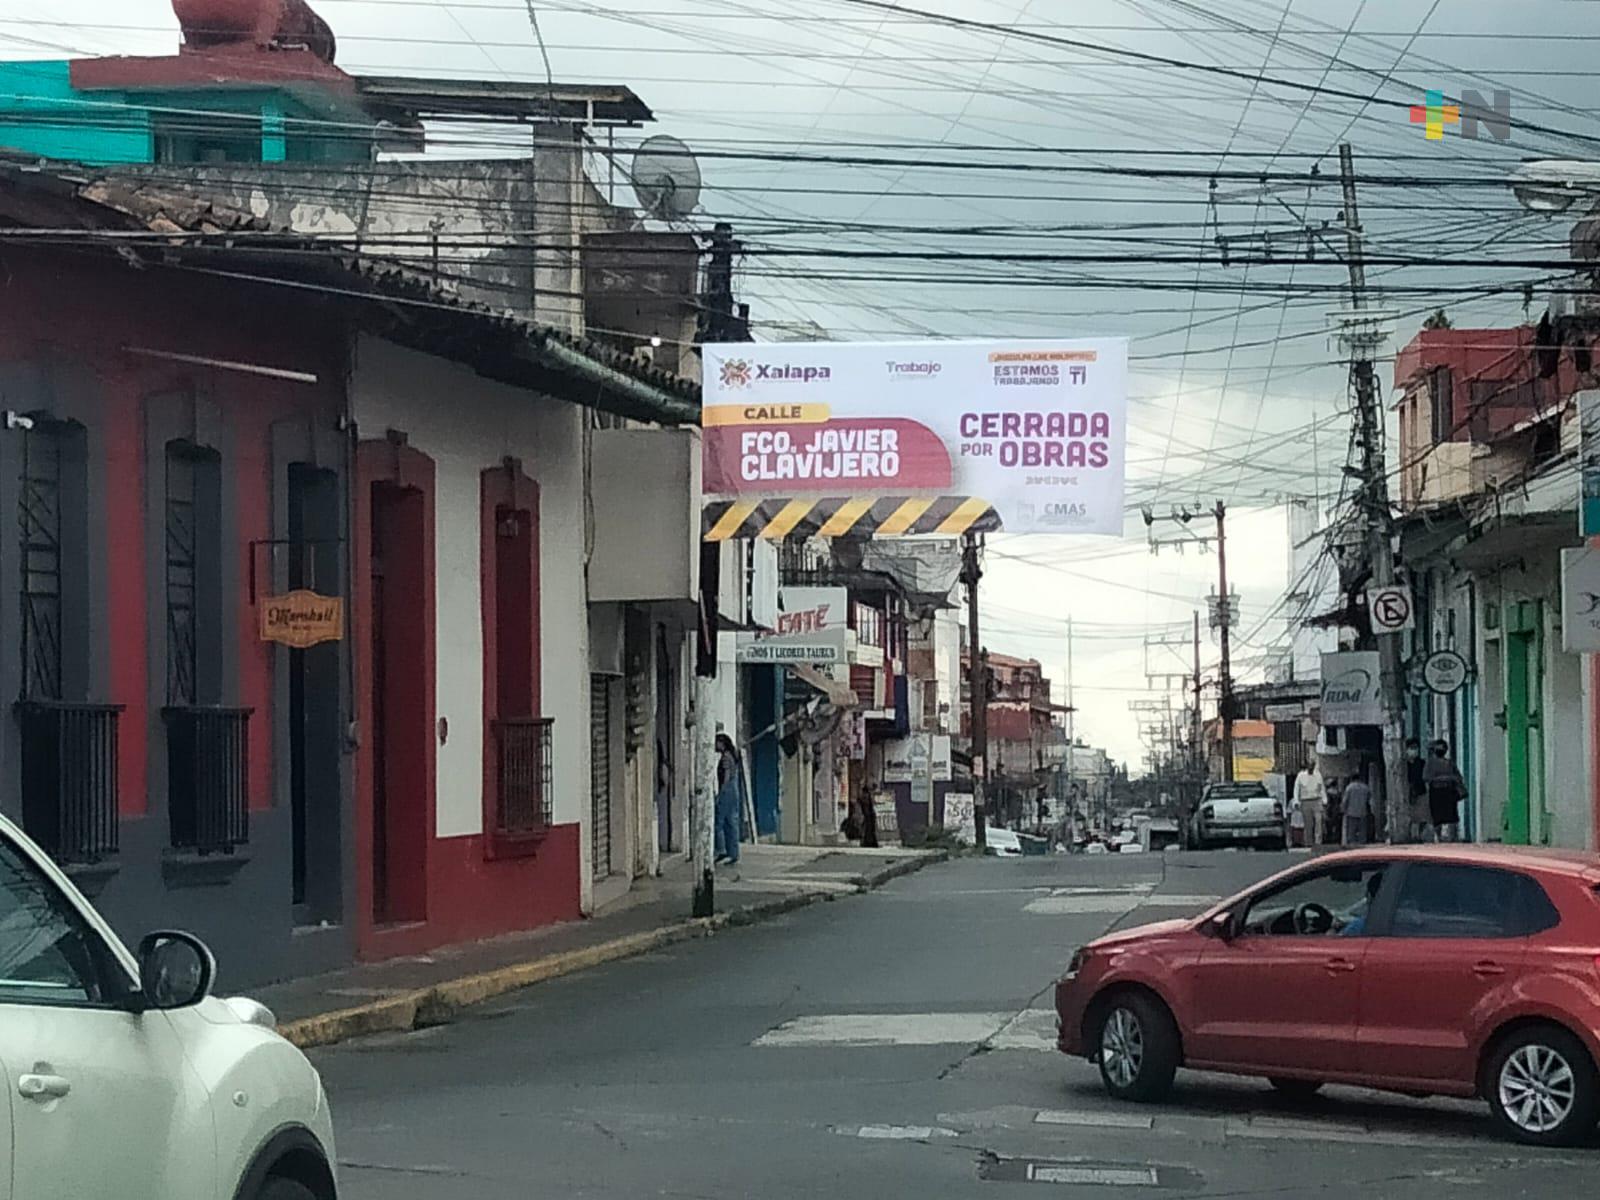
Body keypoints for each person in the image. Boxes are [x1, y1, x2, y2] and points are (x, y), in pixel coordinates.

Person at [1424, 739, 1467, 842]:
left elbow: (1458, 777)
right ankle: (1438, 837)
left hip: (1448, 791)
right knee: (1437, 816)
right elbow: (1426, 777)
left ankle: (1453, 836)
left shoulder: (1450, 763)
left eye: (1442, 747)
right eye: (1438, 747)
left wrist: (1452, 780)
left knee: (1451, 815)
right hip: (1436, 792)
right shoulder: (1430, 763)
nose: (1441, 749)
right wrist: (1446, 778)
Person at [714, 733, 747, 865]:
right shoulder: (732, 756)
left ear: (722, 744)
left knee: (719, 821)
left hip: (727, 791)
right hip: (733, 791)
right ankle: (733, 852)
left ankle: (721, 849)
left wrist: (720, 793)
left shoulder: (726, 758)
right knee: (731, 822)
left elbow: (726, 776)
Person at [1293, 761, 1327, 848]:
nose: (1311, 767)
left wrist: (1324, 800)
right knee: (1308, 823)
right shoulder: (1301, 775)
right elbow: (1296, 789)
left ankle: (1318, 842)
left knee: (1318, 821)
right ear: (1307, 766)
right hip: (1305, 801)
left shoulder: (1318, 775)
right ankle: (1308, 842)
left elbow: (1322, 788)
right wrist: (1296, 801)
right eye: (1310, 766)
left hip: (1317, 800)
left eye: (1312, 765)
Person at [1406, 737, 1430, 841]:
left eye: (1416, 748)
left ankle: (1419, 836)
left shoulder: (1422, 763)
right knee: (1410, 817)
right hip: (1407, 794)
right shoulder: (1403, 764)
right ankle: (1411, 835)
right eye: (1411, 748)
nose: (1414, 750)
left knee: (1422, 817)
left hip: (1421, 792)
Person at [1342, 772, 1372, 846]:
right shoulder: (1365, 787)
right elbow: (1369, 799)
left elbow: (1345, 800)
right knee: (1362, 830)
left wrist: (1343, 809)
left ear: (1352, 779)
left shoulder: (1349, 787)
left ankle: (1352, 844)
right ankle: (1362, 843)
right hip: (1363, 811)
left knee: (1351, 831)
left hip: (1351, 812)